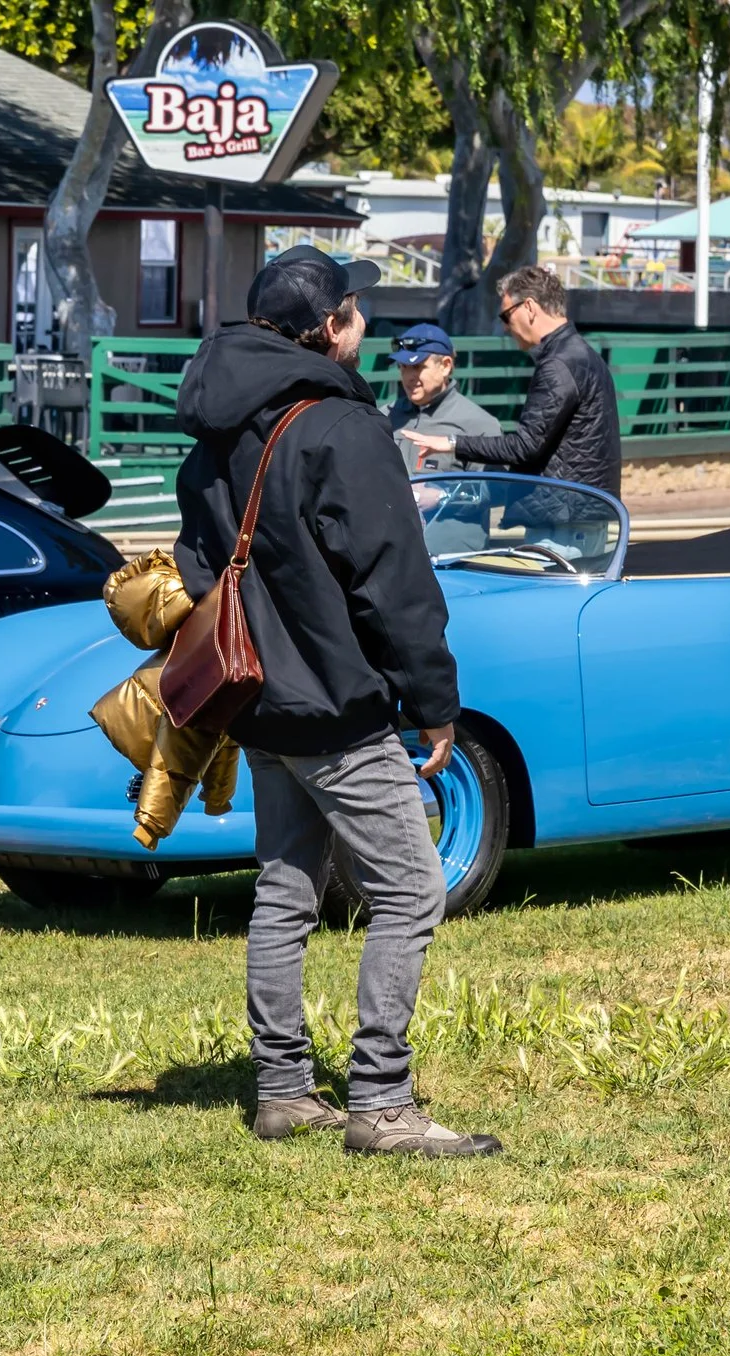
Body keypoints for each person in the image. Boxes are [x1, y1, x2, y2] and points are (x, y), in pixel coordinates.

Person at [171, 245, 499, 1160]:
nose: (365, 324)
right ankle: (382, 1103)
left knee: (284, 890)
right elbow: (394, 582)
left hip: (253, 699)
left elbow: (199, 571)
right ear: (327, 330)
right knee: (412, 887)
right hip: (335, 707)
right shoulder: (341, 428)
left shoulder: (214, 428)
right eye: (355, 309)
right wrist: (436, 703)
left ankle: (283, 1089)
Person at [398, 265, 620, 499]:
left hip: (565, 514)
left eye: (506, 315)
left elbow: (525, 446)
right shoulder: (580, 354)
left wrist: (452, 443)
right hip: (581, 506)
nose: (505, 326)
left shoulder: (559, 363)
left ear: (529, 307)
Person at [385, 322, 497, 476]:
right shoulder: (384, 418)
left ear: (445, 366)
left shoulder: (480, 426)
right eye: (403, 367)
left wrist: (442, 494)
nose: (409, 377)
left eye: (417, 366)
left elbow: (490, 490)